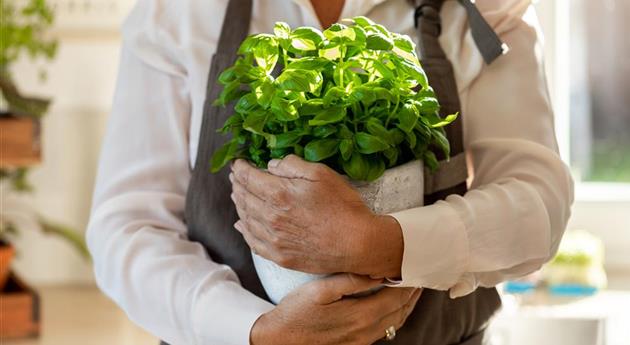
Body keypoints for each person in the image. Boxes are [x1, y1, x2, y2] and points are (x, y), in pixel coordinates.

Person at [87, 0, 574, 344]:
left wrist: (381, 244)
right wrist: (253, 330)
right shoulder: (178, 11)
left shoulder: (486, 9)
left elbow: (538, 203)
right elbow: (127, 228)